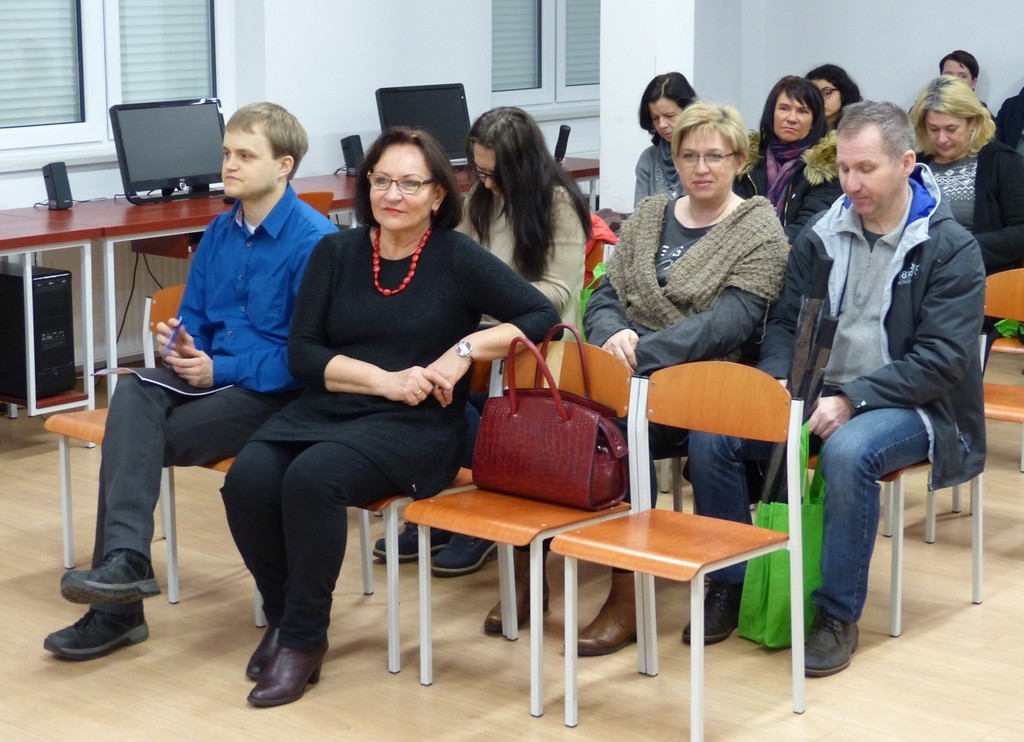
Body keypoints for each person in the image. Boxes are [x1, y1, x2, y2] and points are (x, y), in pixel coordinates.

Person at [219, 127, 559, 707]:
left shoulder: (456, 257)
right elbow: (304, 354)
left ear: (438, 194)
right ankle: (284, 616)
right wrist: (386, 380)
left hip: (418, 425)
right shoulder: (336, 252)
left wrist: (463, 352)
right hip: (332, 407)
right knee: (247, 480)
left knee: (312, 479)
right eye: (381, 181)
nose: (393, 195)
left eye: (410, 183)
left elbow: (539, 313)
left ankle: (303, 639)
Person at [687, 101, 986, 676]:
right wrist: (779, 377)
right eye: (845, 168)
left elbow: (943, 360)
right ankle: (730, 582)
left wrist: (853, 399)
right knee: (714, 436)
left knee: (849, 453)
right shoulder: (822, 234)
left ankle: (836, 614)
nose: (851, 183)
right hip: (818, 389)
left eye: (866, 169)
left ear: (905, 163)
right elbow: (783, 321)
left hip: (916, 403)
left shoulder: (949, 247)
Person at [43, 102, 337, 661]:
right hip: (210, 381)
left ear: (285, 166)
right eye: (226, 153)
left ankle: (118, 608)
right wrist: (180, 343)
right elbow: (196, 320)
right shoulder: (219, 232)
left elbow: (309, 358)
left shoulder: (316, 242)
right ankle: (126, 566)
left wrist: (219, 368)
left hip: (274, 396)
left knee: (130, 439)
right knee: (132, 390)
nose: (229, 165)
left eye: (245, 155)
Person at [575, 102, 790, 655]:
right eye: (689, 155)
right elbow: (606, 292)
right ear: (673, 159)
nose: (701, 167)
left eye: (714, 156)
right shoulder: (650, 214)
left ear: (738, 160)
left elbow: (731, 322)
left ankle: (726, 580)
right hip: (635, 378)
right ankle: (626, 585)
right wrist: (611, 336)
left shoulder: (758, 227)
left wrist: (640, 353)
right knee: (605, 434)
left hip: (712, 380)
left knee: (709, 439)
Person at [375, 106, 592, 579]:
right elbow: (453, 261)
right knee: (423, 381)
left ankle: (485, 514)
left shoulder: (557, 206)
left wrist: (485, 309)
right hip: (482, 334)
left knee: (469, 398)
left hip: (535, 345)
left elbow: (556, 295)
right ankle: (442, 500)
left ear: (522, 167)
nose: (487, 184)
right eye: (480, 171)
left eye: (496, 175)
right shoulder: (482, 199)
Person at [912, 76, 1024, 279]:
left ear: (973, 122)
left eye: (951, 129)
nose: (942, 139)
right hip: (918, 275)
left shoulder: (1003, 161)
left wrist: (963, 248)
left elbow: (1020, 231)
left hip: (978, 276)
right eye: (933, 129)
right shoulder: (916, 166)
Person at [735, 75, 843, 244]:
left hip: (794, 255)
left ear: (814, 121)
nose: (792, 118)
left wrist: (757, 244)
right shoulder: (746, 162)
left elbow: (809, 226)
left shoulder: (827, 167)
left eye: (802, 111)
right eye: (784, 108)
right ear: (771, 114)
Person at [634, 72, 699, 206]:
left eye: (669, 116)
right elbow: (639, 214)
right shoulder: (648, 158)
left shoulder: (707, 156)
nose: (662, 125)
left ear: (689, 111)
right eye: (655, 118)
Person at [806, 63, 863, 130]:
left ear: (843, 93)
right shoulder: (805, 130)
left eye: (826, 93)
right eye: (814, 95)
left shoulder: (860, 127)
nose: (820, 100)